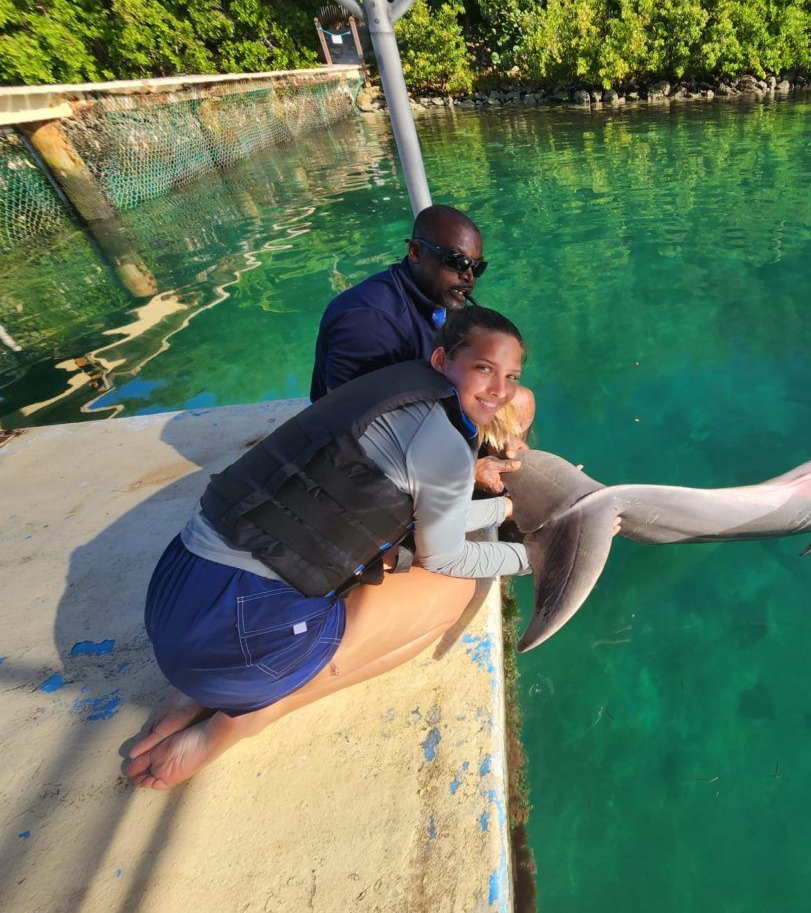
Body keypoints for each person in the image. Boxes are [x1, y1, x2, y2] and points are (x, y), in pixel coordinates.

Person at [126, 307, 559, 790]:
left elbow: (404, 513)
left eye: (511, 376)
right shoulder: (447, 446)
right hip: (242, 636)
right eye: (484, 368)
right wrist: (538, 557)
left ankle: (198, 691)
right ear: (442, 360)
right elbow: (444, 555)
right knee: (450, 598)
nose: (500, 391)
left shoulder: (391, 386)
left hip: (175, 594)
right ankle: (238, 720)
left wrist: (501, 512)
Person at [310, 204, 534, 491]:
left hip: (418, 402)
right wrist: (463, 471)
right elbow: (349, 428)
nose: (469, 278)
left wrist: (502, 430)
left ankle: (507, 474)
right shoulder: (368, 319)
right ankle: (484, 496)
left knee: (520, 402)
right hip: (372, 436)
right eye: (457, 262)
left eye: (477, 267)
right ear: (415, 252)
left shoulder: (440, 298)